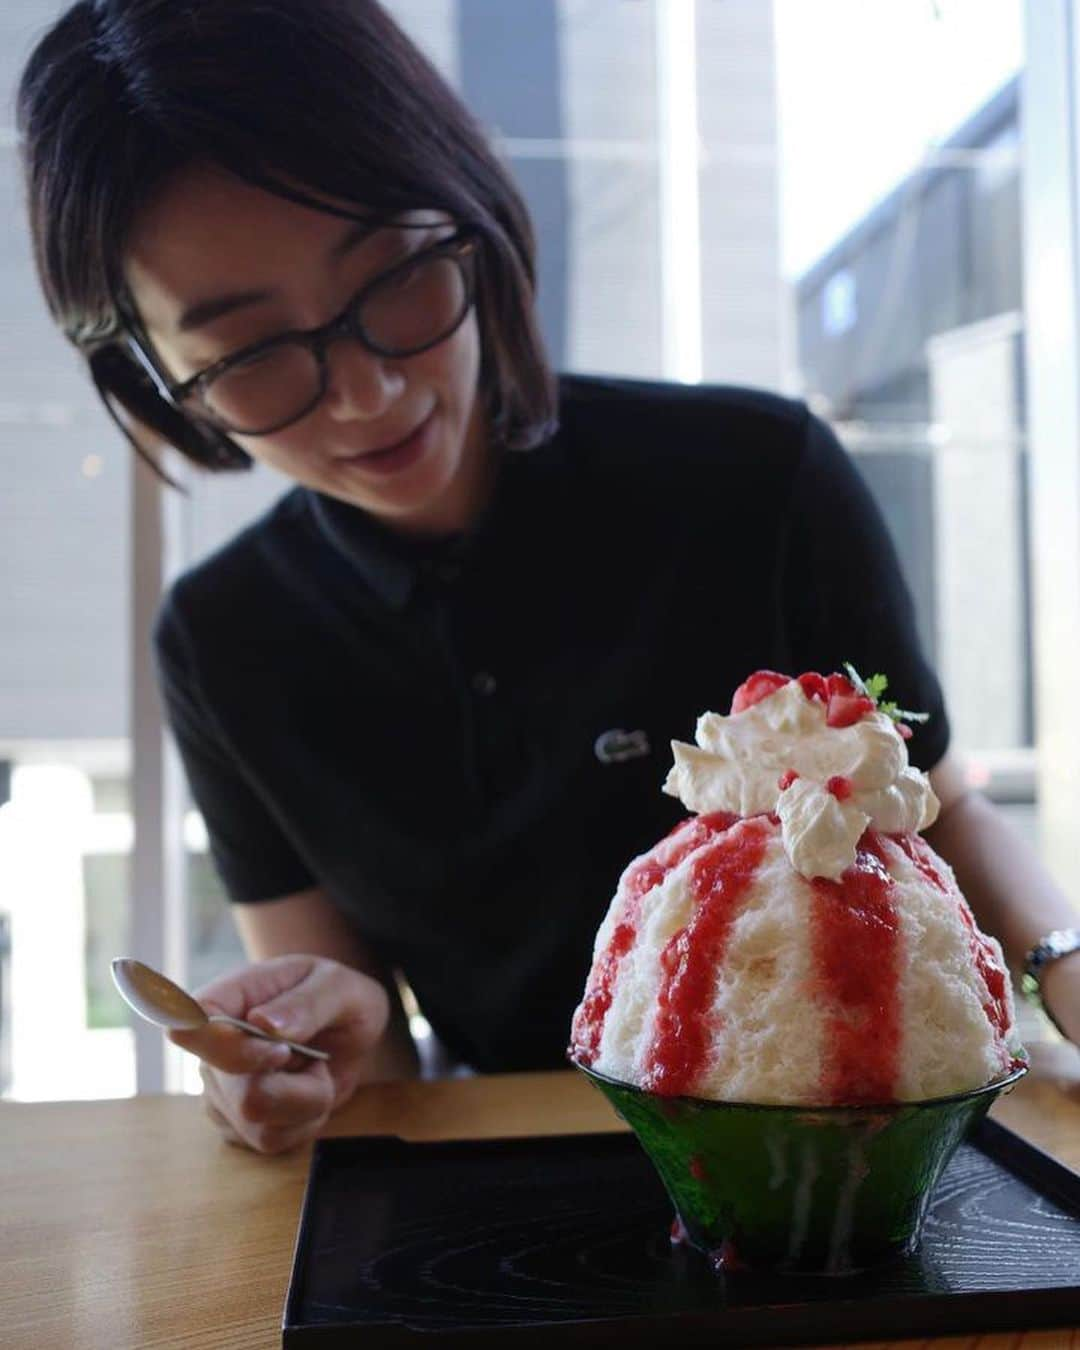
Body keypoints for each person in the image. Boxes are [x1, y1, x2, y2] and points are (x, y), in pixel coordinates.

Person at [17, 0, 1079, 1155]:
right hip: (514, 1179)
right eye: (254, 353)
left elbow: (939, 805)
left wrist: (1063, 962)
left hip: (831, 1143)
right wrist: (310, 1053)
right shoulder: (226, 640)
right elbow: (359, 1042)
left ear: (467, 214)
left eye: (393, 280)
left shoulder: (756, 478)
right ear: (154, 373)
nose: (367, 393)